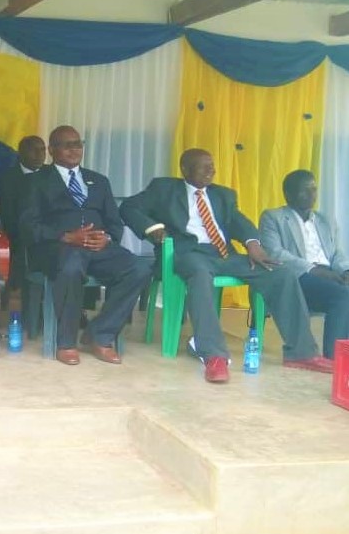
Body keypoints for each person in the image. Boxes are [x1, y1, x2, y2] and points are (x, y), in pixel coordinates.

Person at [121, 149, 330, 383]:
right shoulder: (164, 188)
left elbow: (238, 222)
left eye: (212, 166)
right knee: (200, 274)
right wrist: (152, 229)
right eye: (204, 166)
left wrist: (252, 243)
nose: (211, 171)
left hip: (222, 254)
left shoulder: (223, 195)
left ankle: (301, 353)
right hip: (187, 252)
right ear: (185, 169)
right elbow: (128, 207)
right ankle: (213, 355)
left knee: (281, 273)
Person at [20, 126, 151, 366]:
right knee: (70, 266)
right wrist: (65, 236)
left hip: (98, 247)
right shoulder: (36, 182)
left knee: (139, 268)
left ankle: (99, 334)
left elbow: (115, 223)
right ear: (51, 150)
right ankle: (66, 343)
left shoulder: (99, 181)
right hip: (58, 247)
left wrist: (108, 238)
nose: (74, 149)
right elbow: (27, 226)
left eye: (78, 144)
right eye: (66, 145)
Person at [260, 170, 349, 359]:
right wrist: (314, 270)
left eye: (314, 190)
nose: (311, 195)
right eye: (304, 191)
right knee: (343, 296)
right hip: (298, 277)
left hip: (330, 274)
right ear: (288, 194)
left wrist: (346, 270)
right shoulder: (273, 217)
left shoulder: (325, 220)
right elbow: (275, 253)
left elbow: (335, 253)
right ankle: (336, 359)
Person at [0, 135, 46, 316]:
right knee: (26, 251)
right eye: (34, 149)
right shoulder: (9, 179)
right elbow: (8, 216)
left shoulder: (51, 174)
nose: (40, 154)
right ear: (21, 153)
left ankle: (77, 309)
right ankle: (31, 312)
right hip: (20, 234)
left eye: (42, 149)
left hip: (50, 232)